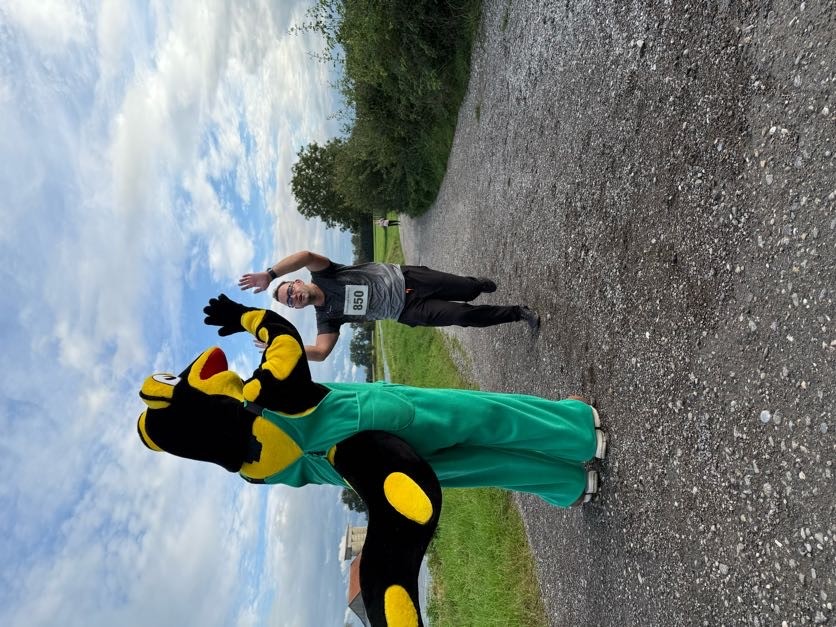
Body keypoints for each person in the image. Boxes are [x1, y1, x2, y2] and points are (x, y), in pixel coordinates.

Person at [135, 295, 608, 626]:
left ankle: (570, 485)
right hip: (392, 419)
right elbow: (282, 338)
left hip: (383, 474)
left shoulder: (252, 472)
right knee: (487, 419)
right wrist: (243, 317)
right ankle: (579, 432)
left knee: (484, 466)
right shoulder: (264, 393)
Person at [238, 250, 540, 361]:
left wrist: (271, 275)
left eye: (291, 290)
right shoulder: (327, 318)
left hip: (408, 279)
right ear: (296, 307)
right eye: (289, 301)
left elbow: (303, 256)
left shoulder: (325, 272)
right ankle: (518, 312)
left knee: (468, 290)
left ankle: (476, 284)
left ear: (299, 283)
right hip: (406, 311)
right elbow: (320, 352)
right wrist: (282, 345)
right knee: (463, 316)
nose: (294, 297)